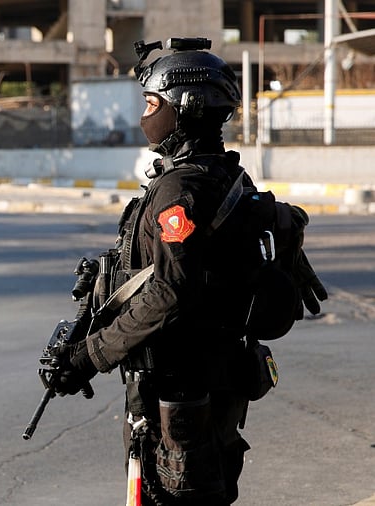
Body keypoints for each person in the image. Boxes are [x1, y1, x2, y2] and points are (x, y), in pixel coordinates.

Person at [49, 38, 325, 505]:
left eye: (153, 103)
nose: (145, 115)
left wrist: (87, 357)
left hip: (181, 390)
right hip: (213, 381)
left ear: (185, 108)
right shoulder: (227, 176)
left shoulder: (181, 190)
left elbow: (170, 292)